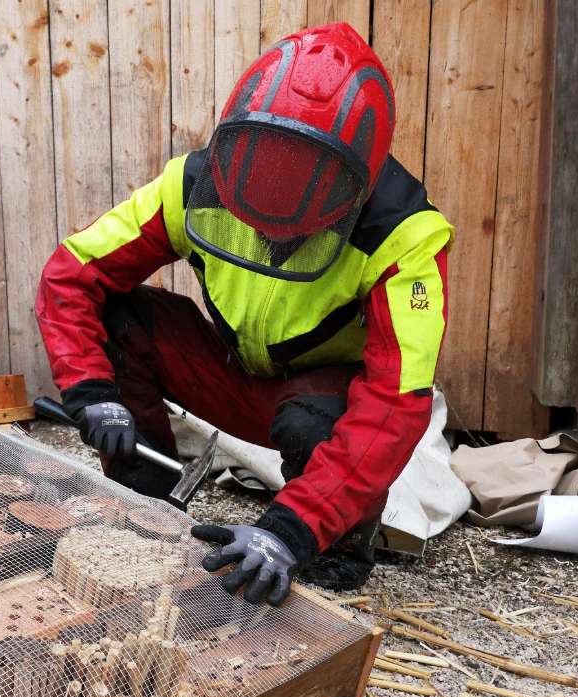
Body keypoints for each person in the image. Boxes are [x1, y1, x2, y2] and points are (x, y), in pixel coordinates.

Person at [35, 23, 453, 606]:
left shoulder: (405, 238)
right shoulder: (190, 183)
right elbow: (73, 275)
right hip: (229, 371)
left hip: (316, 401)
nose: (274, 211)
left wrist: (288, 531)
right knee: (117, 320)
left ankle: (331, 548)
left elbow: (394, 402)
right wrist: (90, 389)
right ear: (238, 140)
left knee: (317, 430)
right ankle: (144, 498)